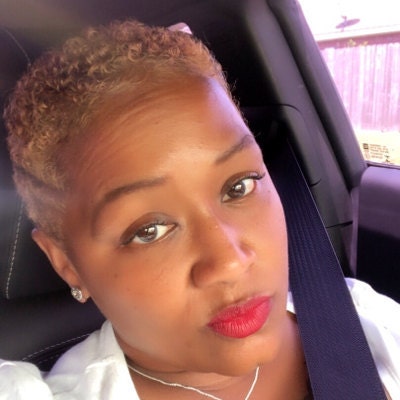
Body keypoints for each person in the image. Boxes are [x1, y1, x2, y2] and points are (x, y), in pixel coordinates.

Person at [0, 19, 399, 400]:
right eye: (149, 230)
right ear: (65, 261)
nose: (230, 261)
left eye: (239, 186)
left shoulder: (367, 322)